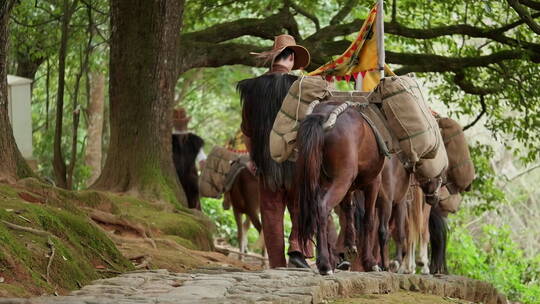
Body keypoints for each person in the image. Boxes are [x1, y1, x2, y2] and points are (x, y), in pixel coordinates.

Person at [237, 34, 313, 268]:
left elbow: (247, 132)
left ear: (273, 59)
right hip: (296, 159)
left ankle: (278, 265)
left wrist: (253, 159)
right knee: (302, 204)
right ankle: (298, 248)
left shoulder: (251, 88)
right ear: (290, 58)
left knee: (270, 212)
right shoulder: (300, 86)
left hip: (266, 162)